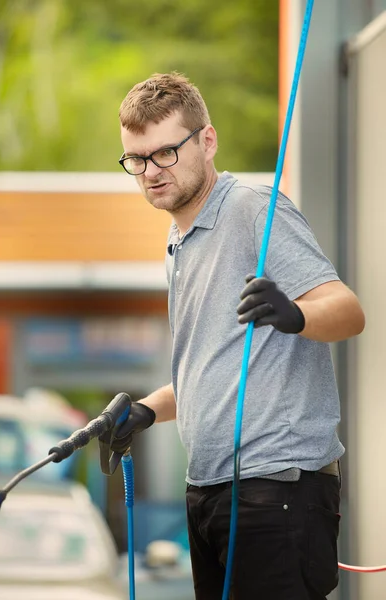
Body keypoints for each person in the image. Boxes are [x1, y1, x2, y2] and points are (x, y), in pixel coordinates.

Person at [112, 72, 365, 600]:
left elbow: (347, 311)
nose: (150, 172)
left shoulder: (252, 208)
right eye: (136, 159)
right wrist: (145, 410)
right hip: (209, 491)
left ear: (207, 140)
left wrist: (293, 312)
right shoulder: (179, 239)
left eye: (165, 153)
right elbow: (216, 370)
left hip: (276, 490)